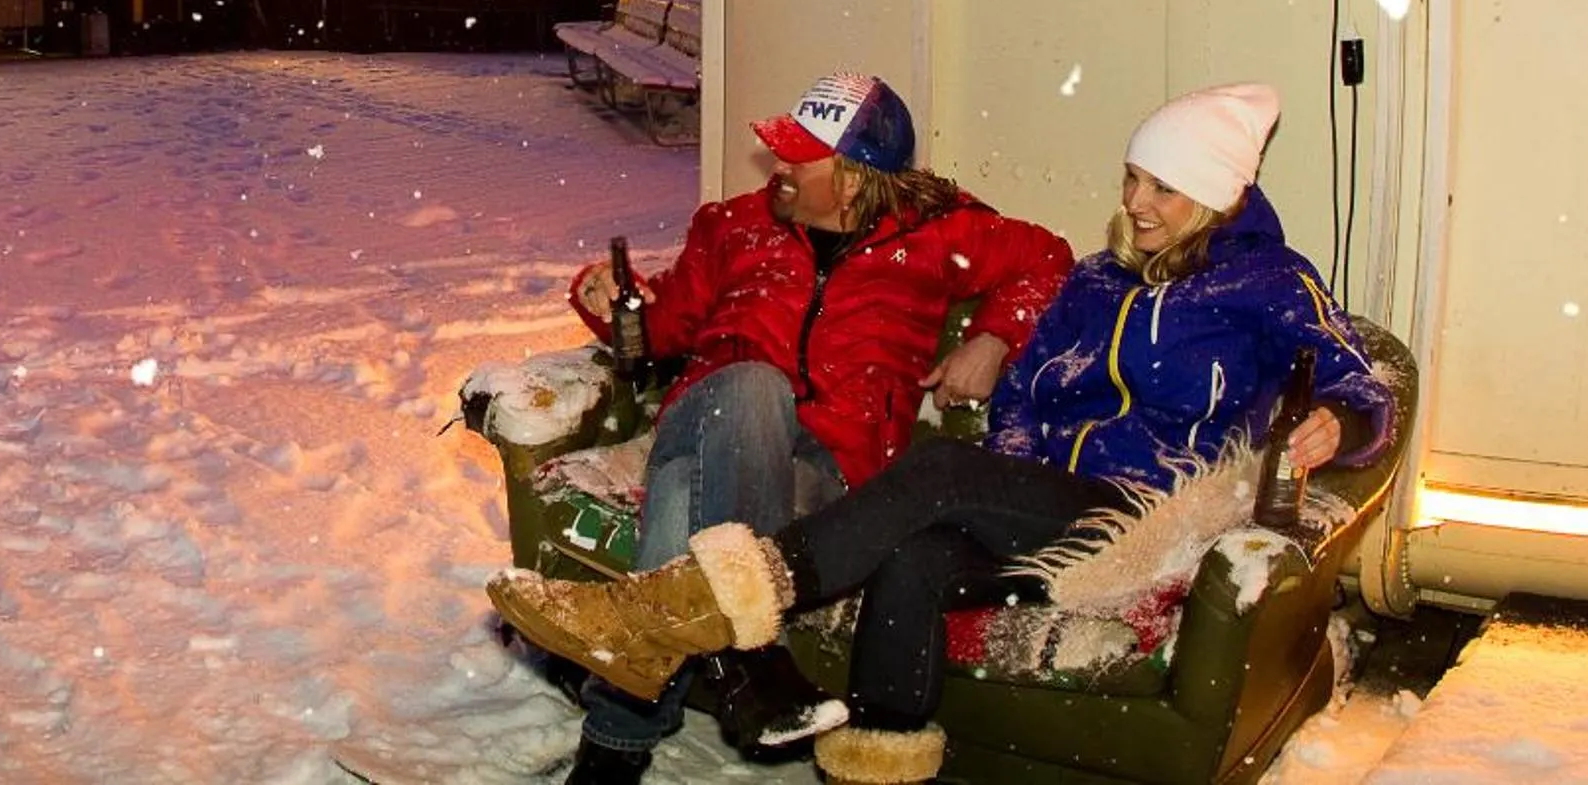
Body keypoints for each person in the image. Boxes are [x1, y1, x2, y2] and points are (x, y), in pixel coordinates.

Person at [491, 84, 1396, 785]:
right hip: (1002, 490)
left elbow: (1365, 375)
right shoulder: (1095, 281)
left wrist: (1340, 421)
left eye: (1162, 185)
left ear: (1215, 195)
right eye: (1131, 177)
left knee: (928, 502)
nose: (1135, 199)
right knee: (872, 509)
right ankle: (818, 714)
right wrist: (1007, 462)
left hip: (1145, 506)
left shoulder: (1264, 282)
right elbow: (1023, 405)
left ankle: (673, 625)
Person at [551, 70, 1071, 784]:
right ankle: (750, 654)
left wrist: (992, 338)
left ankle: (614, 743)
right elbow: (664, 326)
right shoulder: (732, 225)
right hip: (709, 420)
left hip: (828, 470)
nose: (780, 166)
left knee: (680, 505)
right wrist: (610, 300)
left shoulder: (936, 233)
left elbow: (1046, 259)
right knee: (751, 387)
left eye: (800, 155)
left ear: (855, 177)